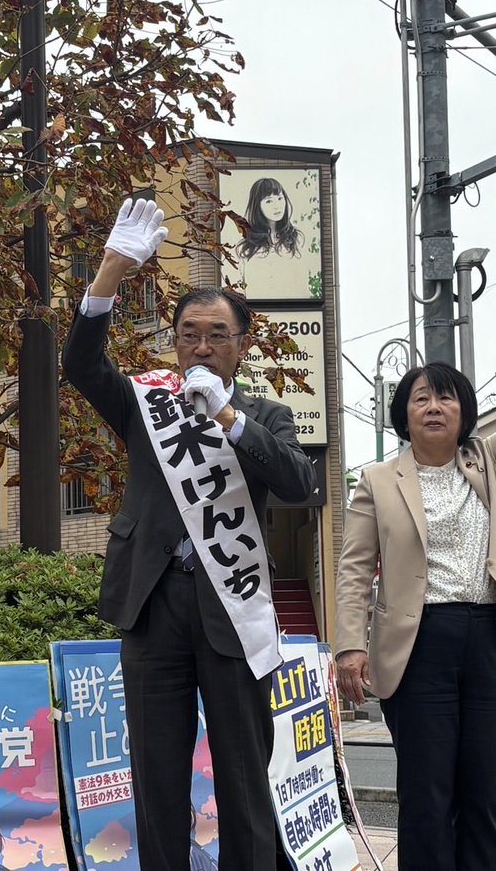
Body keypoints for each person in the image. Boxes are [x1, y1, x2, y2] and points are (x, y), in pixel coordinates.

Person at [62, 198, 316, 871]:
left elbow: (298, 482)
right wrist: (111, 270)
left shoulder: (266, 415)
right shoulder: (146, 403)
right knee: (157, 774)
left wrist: (230, 418)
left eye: (217, 334)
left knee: (243, 773)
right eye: (189, 334)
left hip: (231, 604)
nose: (201, 346)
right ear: (175, 340)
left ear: (242, 343)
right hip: (152, 602)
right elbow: (82, 366)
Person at [334, 274, 496, 871]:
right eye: (421, 399)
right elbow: (354, 568)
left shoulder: (489, 459)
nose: (434, 407)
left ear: (465, 411)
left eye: (446, 398)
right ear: (404, 414)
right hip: (417, 645)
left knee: (481, 789)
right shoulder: (377, 481)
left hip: (487, 637)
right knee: (426, 792)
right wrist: (348, 646)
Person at [235, 176, 304, 262]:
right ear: (257, 206)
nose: (277, 206)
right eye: (269, 201)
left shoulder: (295, 238)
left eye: (280, 198)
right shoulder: (248, 246)